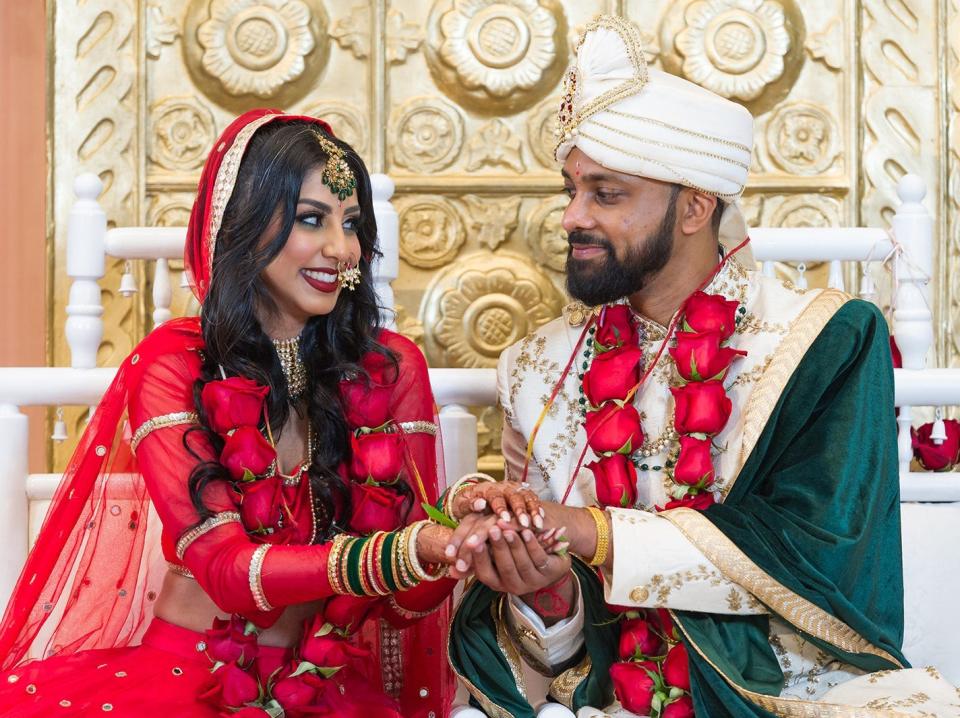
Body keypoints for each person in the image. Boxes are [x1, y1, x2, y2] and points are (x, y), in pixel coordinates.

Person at [443, 15, 960, 718]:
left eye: (607, 192)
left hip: (800, 698)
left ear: (693, 207)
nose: (572, 217)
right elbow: (556, 649)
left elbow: (817, 564)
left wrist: (585, 529)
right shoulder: (538, 367)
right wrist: (547, 592)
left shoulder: (825, 341)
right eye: (572, 190)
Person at [0, 109, 540, 717]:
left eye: (352, 224)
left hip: (325, 684)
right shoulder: (173, 366)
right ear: (244, 227)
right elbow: (228, 571)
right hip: (189, 680)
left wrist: (462, 541)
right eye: (312, 219)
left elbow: (405, 606)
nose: (340, 249)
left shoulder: (389, 367)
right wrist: (408, 550)